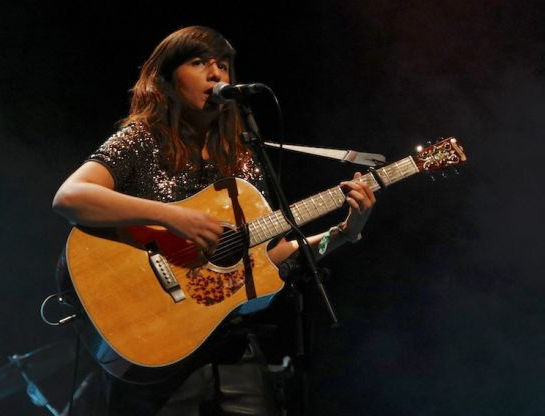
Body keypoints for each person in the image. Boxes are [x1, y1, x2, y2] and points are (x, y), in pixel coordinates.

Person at [52, 25, 376, 415]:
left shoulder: (241, 158)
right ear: (168, 80)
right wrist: (173, 217)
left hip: (231, 345)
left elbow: (272, 257)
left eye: (222, 64)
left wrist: (344, 232)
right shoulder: (141, 138)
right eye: (198, 62)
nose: (215, 74)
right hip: (158, 347)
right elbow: (71, 197)